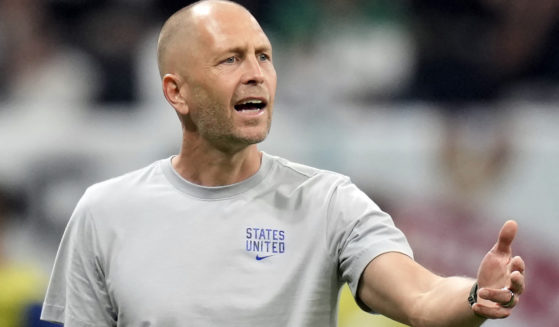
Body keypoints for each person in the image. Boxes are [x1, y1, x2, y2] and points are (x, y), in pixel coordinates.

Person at [40, 1, 525, 326]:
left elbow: (419, 297)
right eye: (230, 60)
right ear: (176, 92)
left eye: (264, 57)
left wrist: (473, 296)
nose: (255, 74)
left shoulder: (330, 202)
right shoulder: (104, 211)